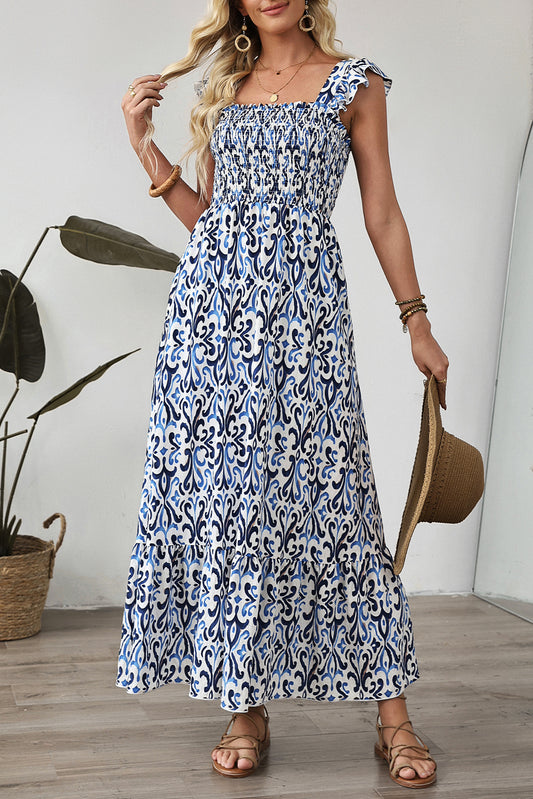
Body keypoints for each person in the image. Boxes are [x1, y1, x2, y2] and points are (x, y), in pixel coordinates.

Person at [117, 0, 446, 789]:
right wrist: (143, 147)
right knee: (234, 508)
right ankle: (246, 704)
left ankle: (391, 714)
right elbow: (213, 222)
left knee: (335, 500)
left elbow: (381, 212)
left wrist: (415, 319)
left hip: (304, 323)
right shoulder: (222, 86)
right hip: (210, 327)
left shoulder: (354, 84)